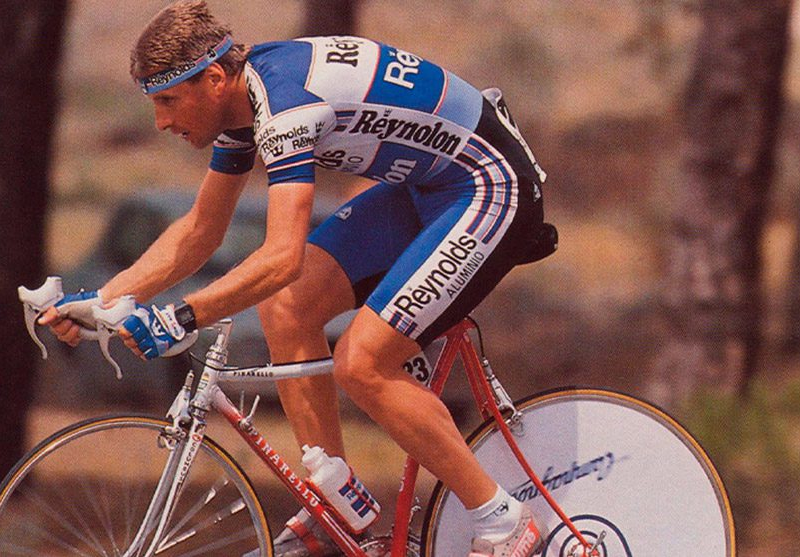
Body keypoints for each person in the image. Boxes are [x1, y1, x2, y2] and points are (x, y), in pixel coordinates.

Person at [40, 2, 549, 556]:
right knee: (286, 307)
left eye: (167, 100)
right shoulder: (244, 104)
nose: (161, 122)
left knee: (363, 362)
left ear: (214, 79)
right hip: (425, 184)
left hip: (489, 184)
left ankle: (502, 518)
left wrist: (182, 316)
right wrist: (104, 300)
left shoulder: (287, 107)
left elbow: (282, 256)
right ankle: (334, 511)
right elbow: (200, 231)